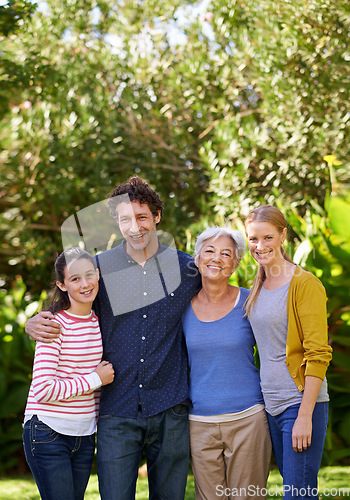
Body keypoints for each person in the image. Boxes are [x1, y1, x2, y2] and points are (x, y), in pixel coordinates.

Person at [25, 177, 202, 500]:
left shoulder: (188, 268)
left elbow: (226, 295)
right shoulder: (98, 269)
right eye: (125, 219)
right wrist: (31, 322)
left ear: (157, 216)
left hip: (170, 407)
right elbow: (67, 303)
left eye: (142, 217)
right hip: (116, 411)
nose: (135, 227)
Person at [244, 205, 333, 500]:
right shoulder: (259, 283)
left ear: (283, 235)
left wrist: (305, 415)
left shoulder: (304, 284)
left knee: (297, 494)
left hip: (300, 402)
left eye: (267, 237)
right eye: (253, 239)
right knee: (300, 491)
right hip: (272, 404)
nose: (260, 246)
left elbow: (318, 354)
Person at [182, 227, 272, 500]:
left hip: (248, 419)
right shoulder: (182, 308)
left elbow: (275, 350)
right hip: (199, 422)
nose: (216, 258)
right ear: (197, 259)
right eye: (209, 251)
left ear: (235, 264)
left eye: (226, 254)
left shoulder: (251, 301)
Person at [23, 247, 115, 500]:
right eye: (75, 279)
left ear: (97, 274)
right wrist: (95, 379)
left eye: (89, 275)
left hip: (83, 436)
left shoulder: (101, 320)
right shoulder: (53, 326)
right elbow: (43, 389)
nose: (85, 284)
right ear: (62, 285)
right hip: (48, 432)